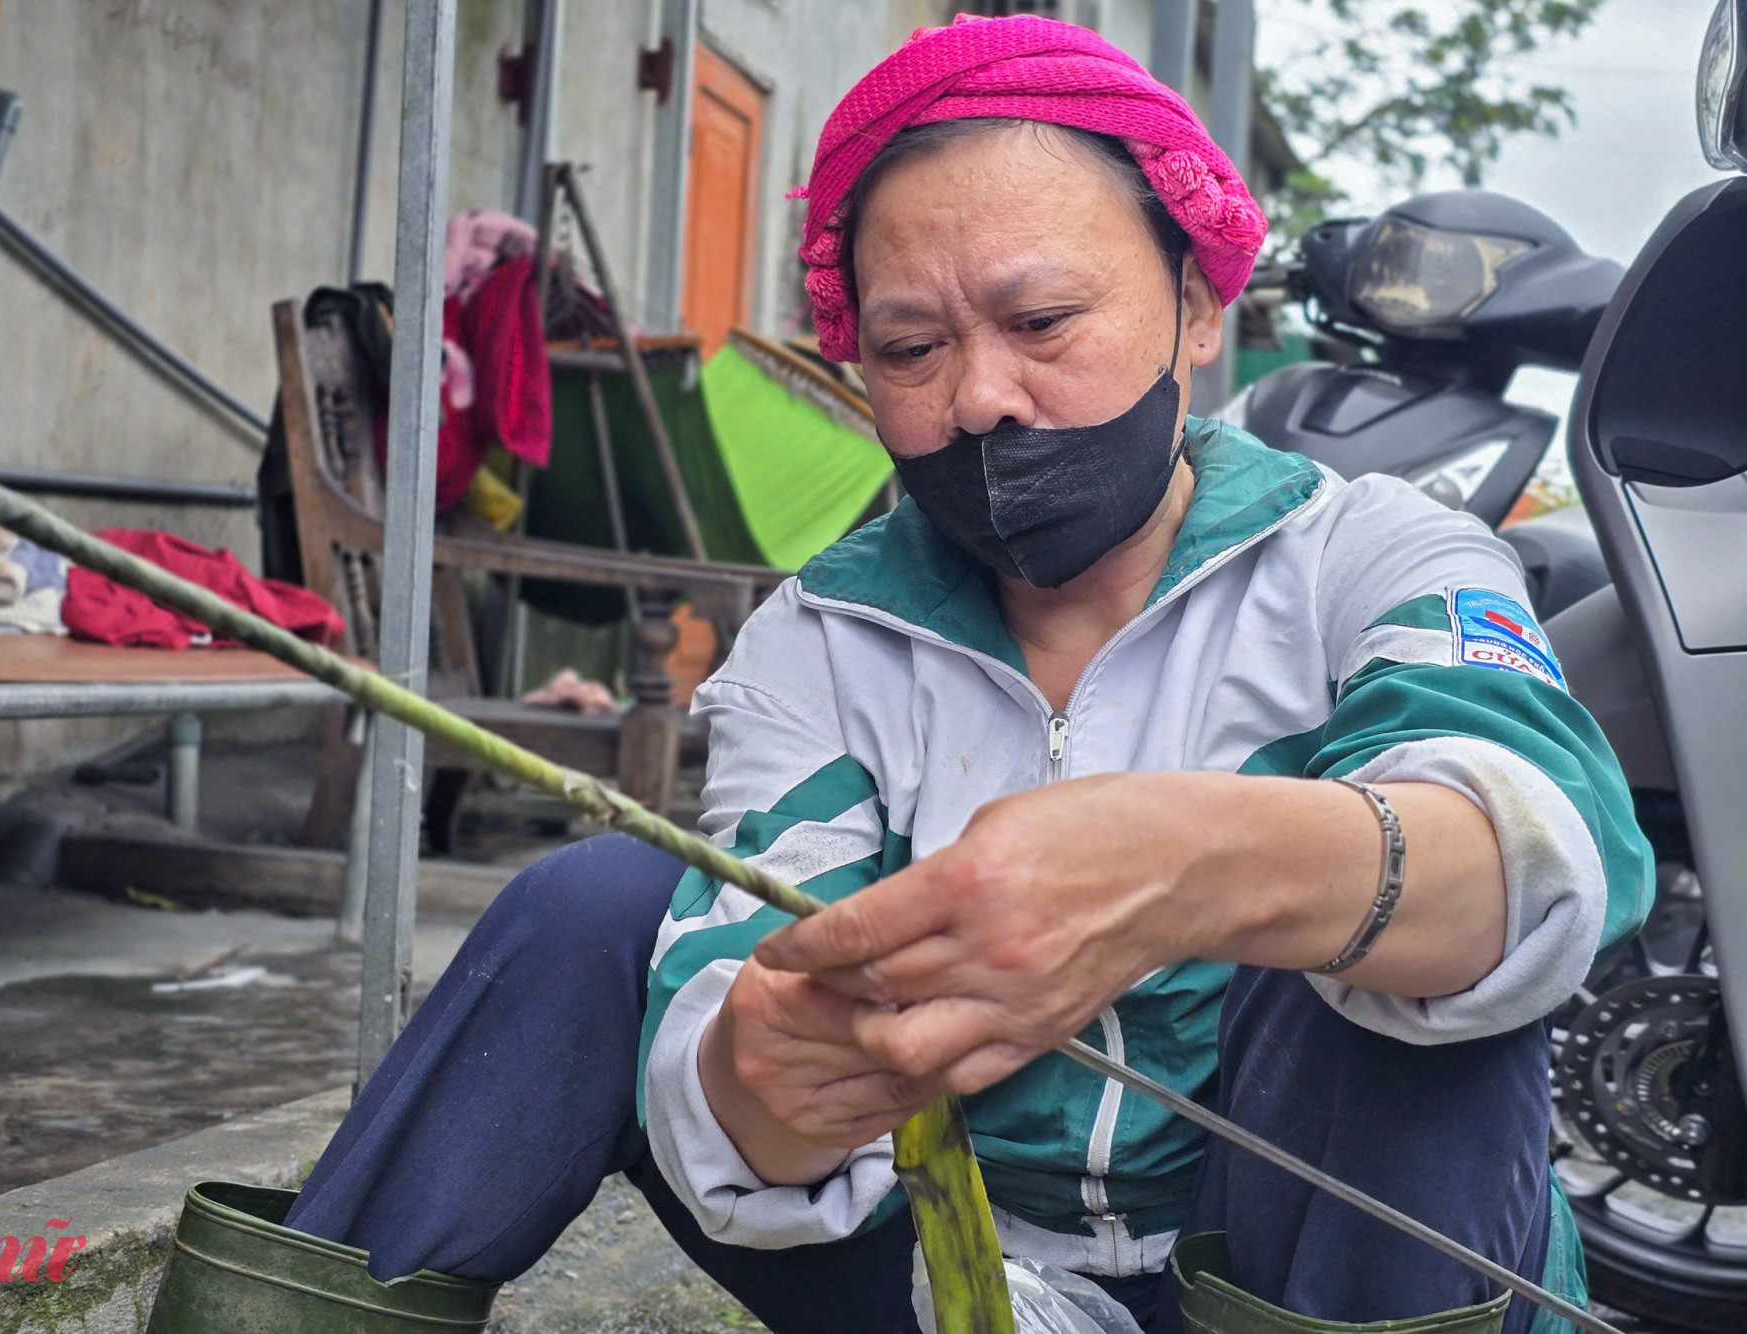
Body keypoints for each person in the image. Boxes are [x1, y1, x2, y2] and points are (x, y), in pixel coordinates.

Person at [279, 15, 1651, 1334]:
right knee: (594, 902)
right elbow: (729, 1002)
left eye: (1045, 318)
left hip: (1326, 1273)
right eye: (912, 349)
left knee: (1371, 932)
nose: (983, 397)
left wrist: (1203, 862)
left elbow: (1544, 852)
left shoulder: (1374, 552)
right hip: (961, 1277)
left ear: (1194, 310)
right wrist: (763, 1079)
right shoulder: (822, 641)